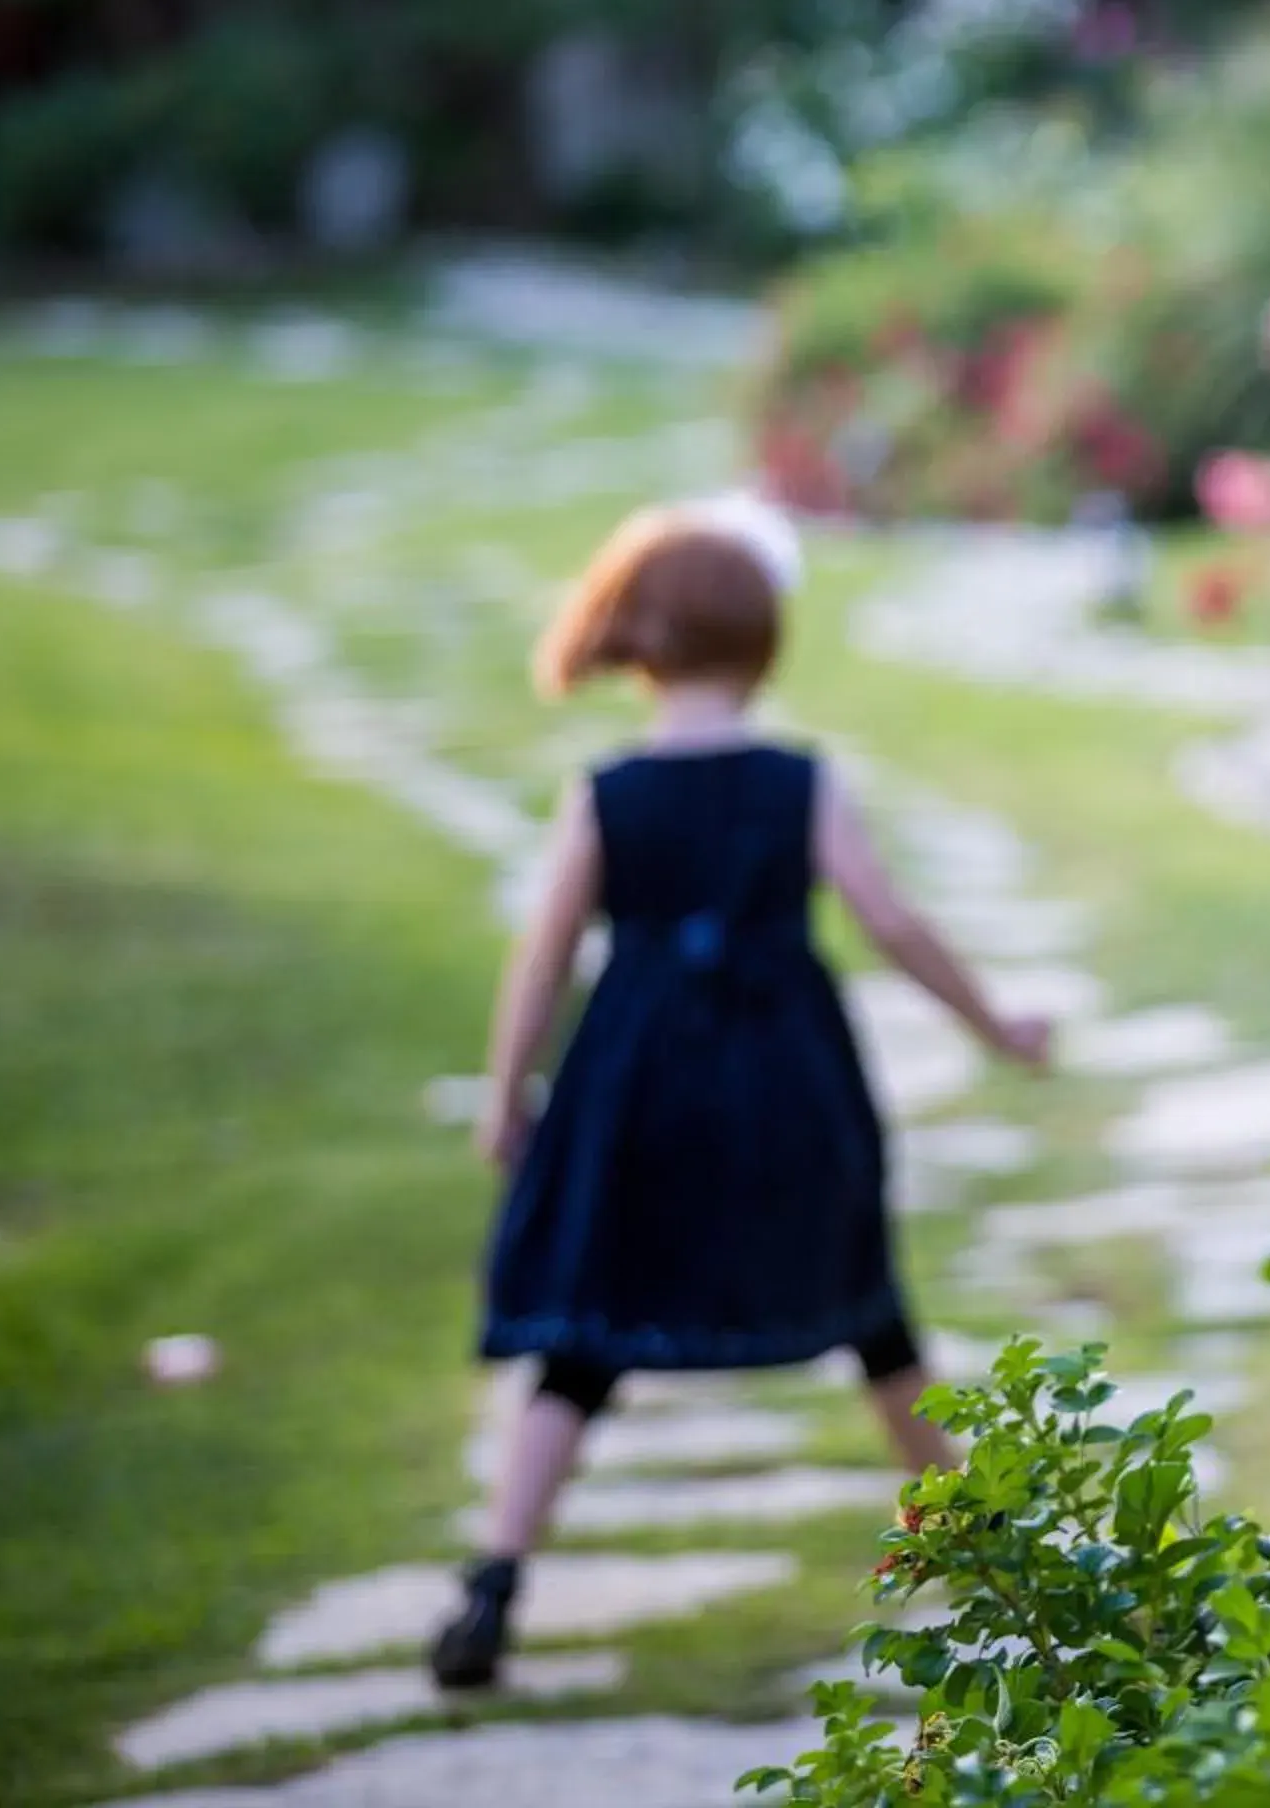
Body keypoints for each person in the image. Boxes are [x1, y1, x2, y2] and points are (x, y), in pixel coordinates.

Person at [431, 496, 1049, 1690]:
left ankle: (497, 1575)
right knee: (873, 1317)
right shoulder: (798, 782)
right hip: (788, 1085)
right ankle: (991, 1556)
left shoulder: (606, 793)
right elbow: (891, 918)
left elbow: (544, 954)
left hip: (635, 1090)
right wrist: (993, 1023)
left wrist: (507, 1093)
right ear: (766, 642)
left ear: (638, 645)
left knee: (578, 1342)